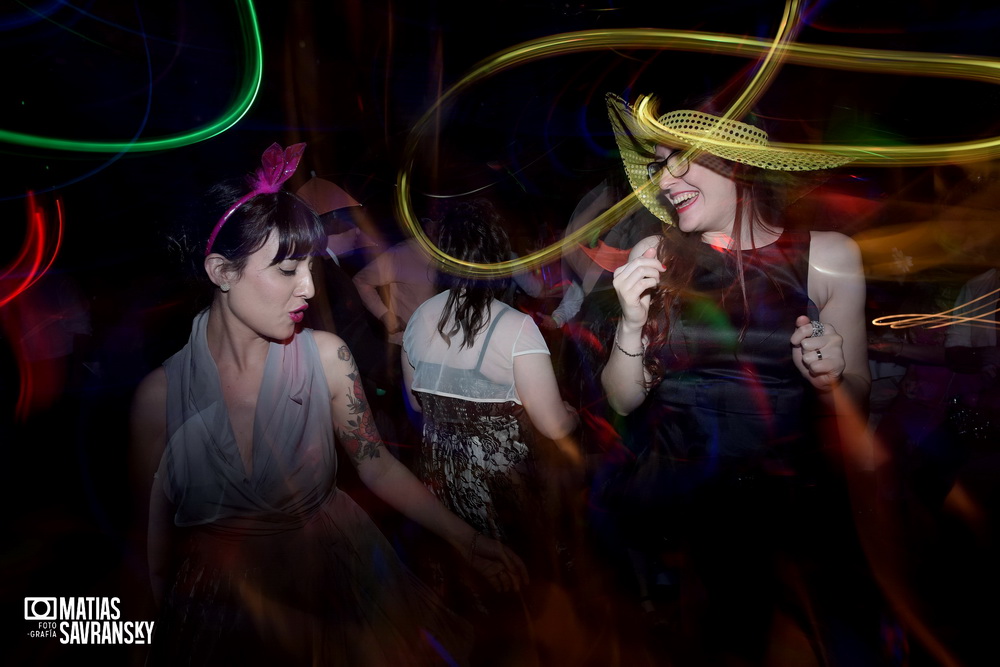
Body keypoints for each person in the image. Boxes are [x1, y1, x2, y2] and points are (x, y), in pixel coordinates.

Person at [129, 143, 526, 666]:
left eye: (311, 267)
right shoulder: (158, 399)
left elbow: (378, 466)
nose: (309, 288)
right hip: (223, 609)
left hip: (335, 576)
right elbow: (149, 544)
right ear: (222, 272)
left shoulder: (325, 358)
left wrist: (464, 537)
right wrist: (144, 640)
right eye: (287, 269)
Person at [599, 94, 875, 664]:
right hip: (695, 507)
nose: (664, 177)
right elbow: (623, 397)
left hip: (796, 502)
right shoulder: (656, 253)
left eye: (680, 158)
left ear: (737, 162)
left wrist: (831, 378)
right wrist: (630, 320)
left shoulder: (829, 256)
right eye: (657, 164)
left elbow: (858, 395)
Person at [400, 199, 580, 665]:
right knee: (519, 595)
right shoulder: (517, 329)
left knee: (466, 594)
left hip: (439, 480)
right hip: (502, 489)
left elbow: (416, 400)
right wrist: (573, 415)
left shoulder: (419, 318)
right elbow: (551, 425)